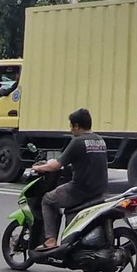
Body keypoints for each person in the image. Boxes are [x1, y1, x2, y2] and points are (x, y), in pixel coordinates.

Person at [29, 108, 107, 253]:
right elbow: (88, 161)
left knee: (47, 199)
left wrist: (41, 168)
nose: (71, 130)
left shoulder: (77, 142)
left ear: (77, 126)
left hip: (79, 190)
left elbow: (57, 165)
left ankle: (51, 240)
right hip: (98, 190)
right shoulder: (100, 140)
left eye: (71, 126)